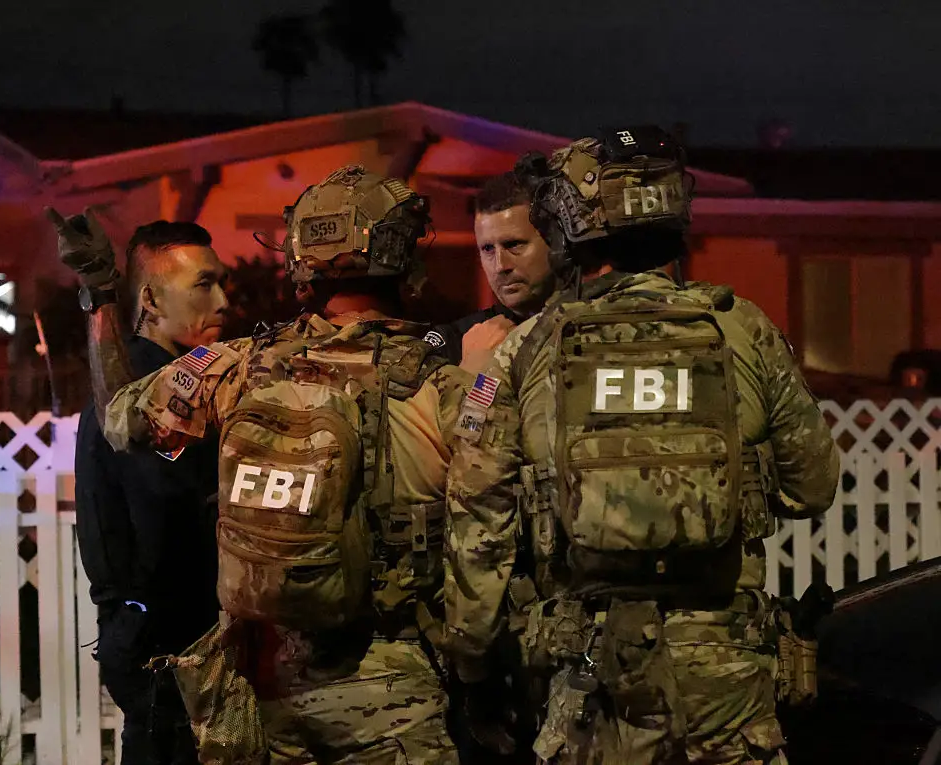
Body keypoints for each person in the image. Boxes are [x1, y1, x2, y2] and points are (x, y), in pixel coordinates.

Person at [441, 127, 840, 764]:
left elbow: (477, 522)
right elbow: (811, 486)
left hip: (588, 669)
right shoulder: (742, 328)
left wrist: (472, 664)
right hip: (724, 665)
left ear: (570, 223)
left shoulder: (525, 350)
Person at [58, 166, 467, 764]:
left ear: (300, 259)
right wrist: (477, 669)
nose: (222, 300)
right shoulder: (449, 384)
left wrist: (99, 297)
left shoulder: (238, 367)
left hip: (270, 685)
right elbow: (487, 545)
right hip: (395, 680)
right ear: (404, 257)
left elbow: (120, 415)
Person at [53, 213, 229, 765]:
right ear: (150, 301)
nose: (222, 301)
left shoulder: (168, 381)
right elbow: (173, 511)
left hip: (161, 637)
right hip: (168, 644)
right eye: (204, 284)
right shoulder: (150, 395)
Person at [424, 171, 555, 372]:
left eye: (514, 244)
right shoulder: (454, 343)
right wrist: (471, 367)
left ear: (556, 243)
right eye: (487, 249)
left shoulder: (596, 323)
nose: (501, 266)